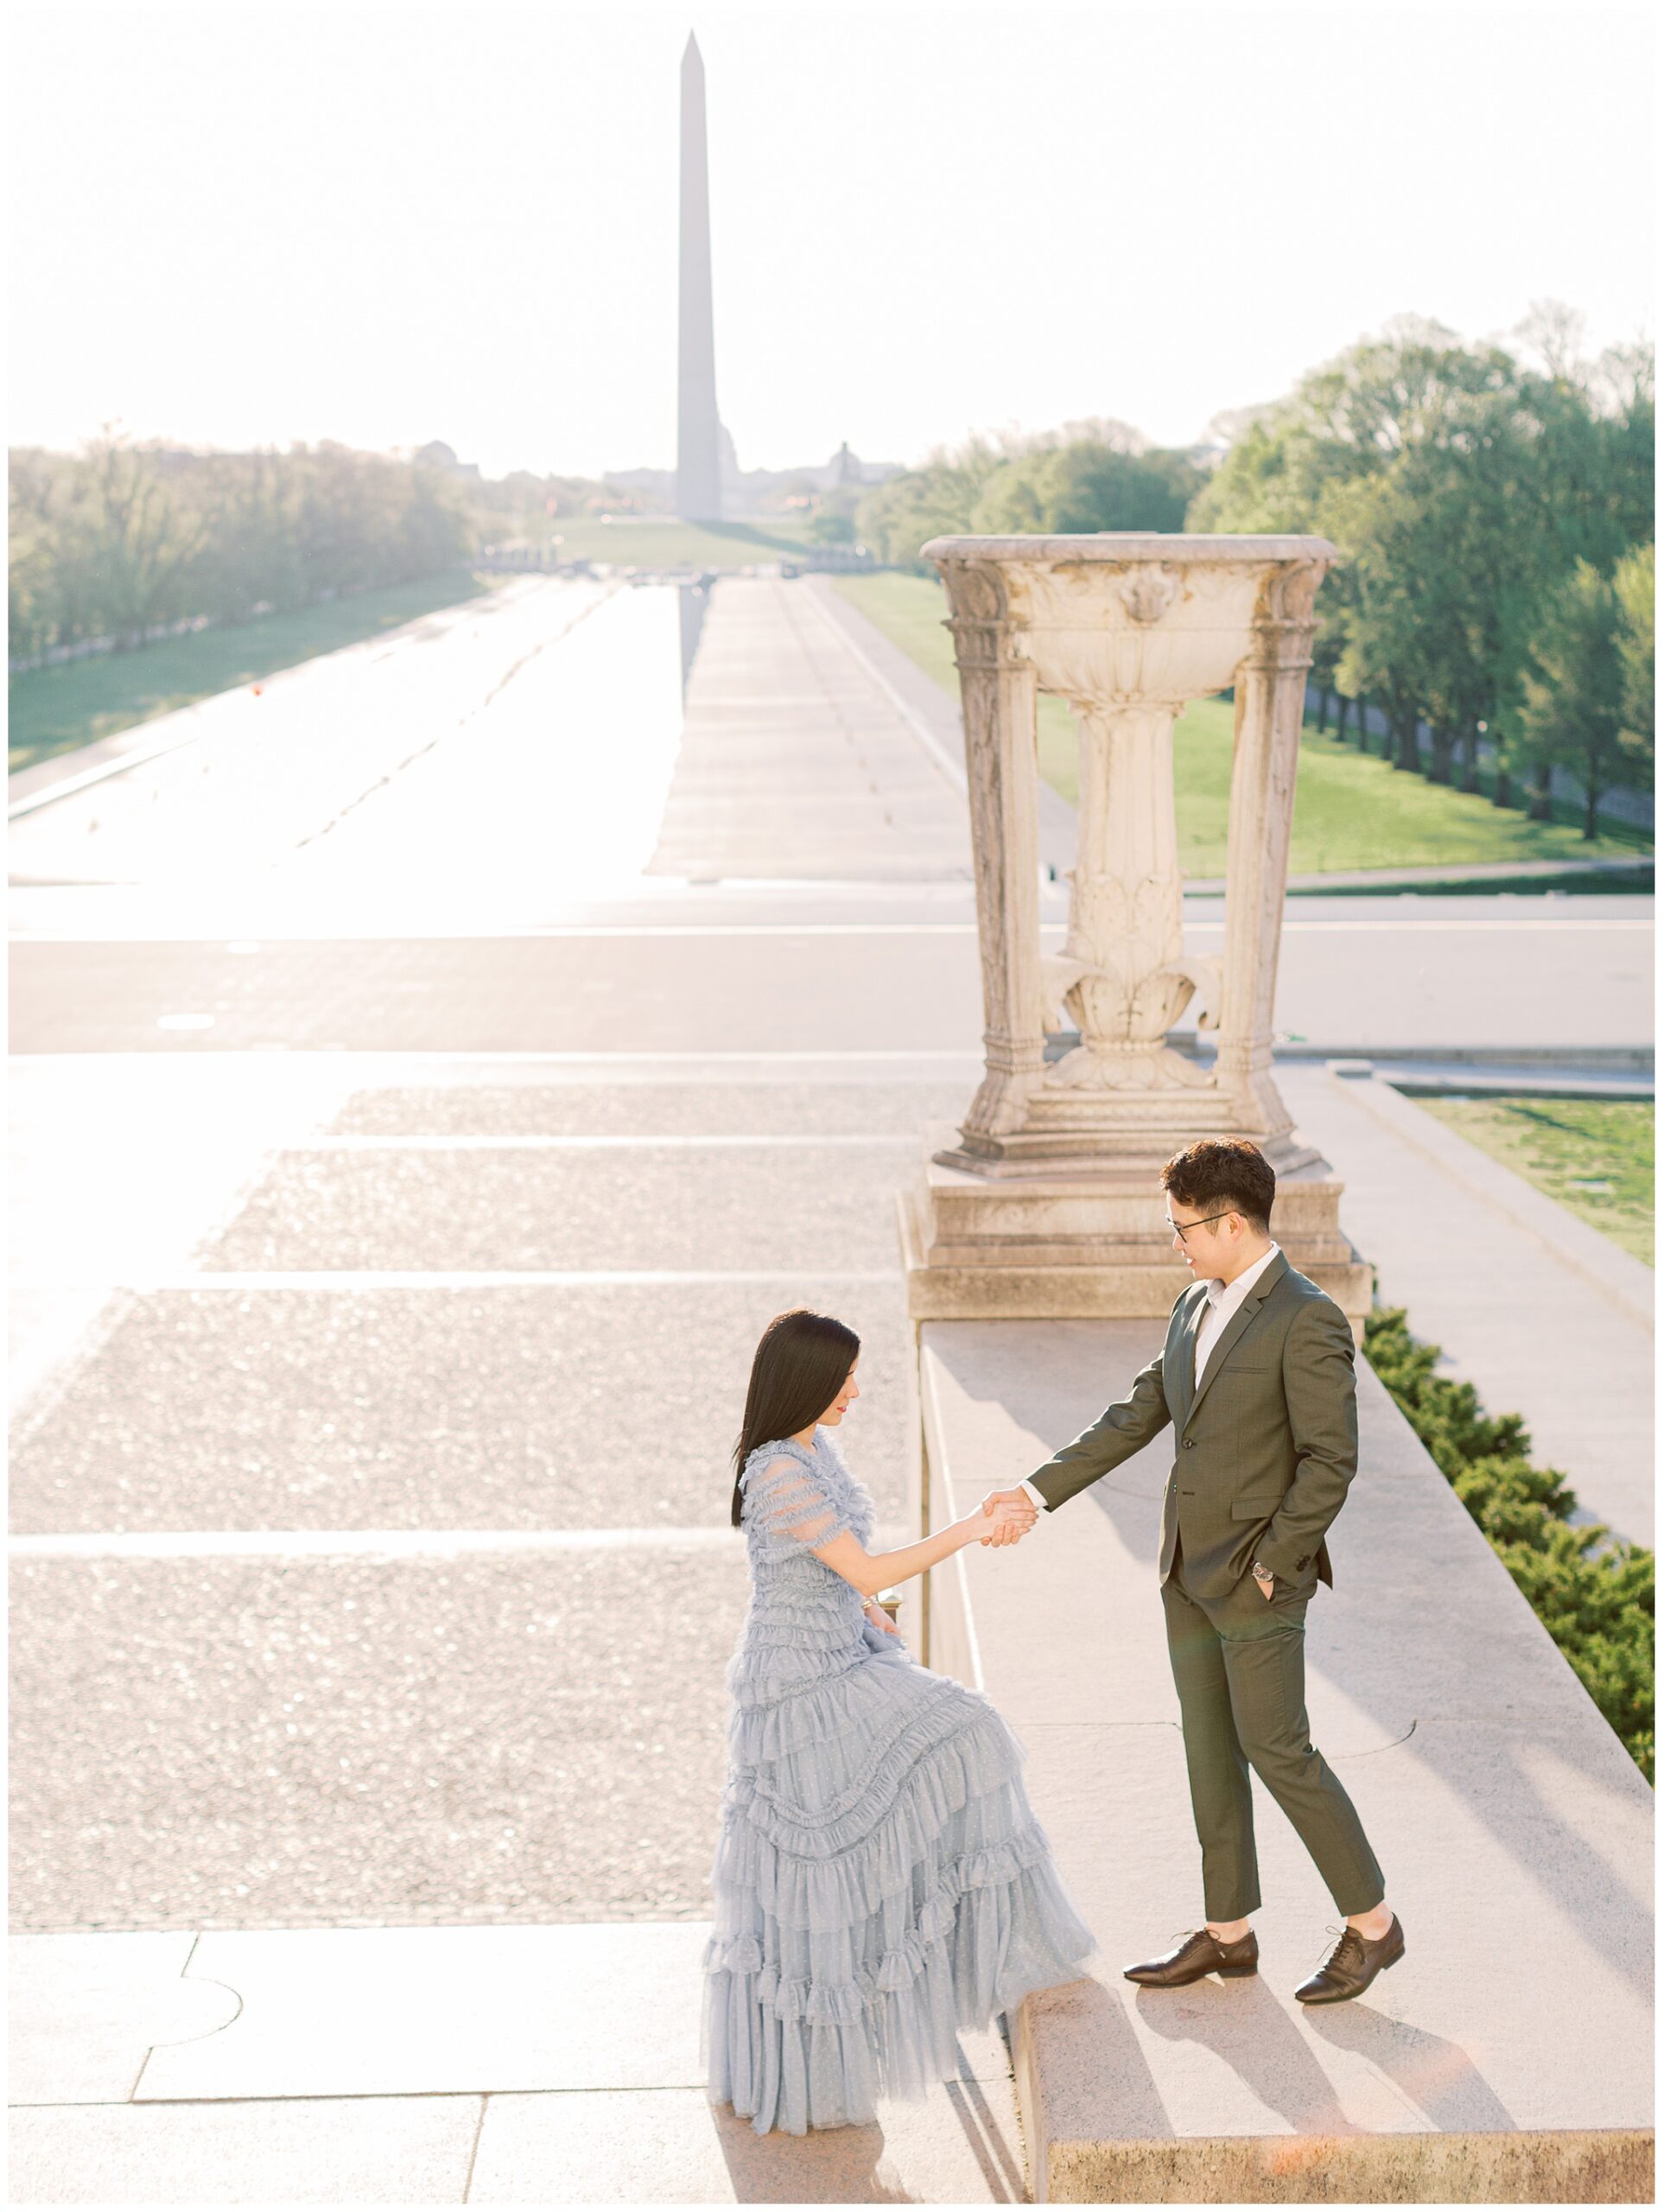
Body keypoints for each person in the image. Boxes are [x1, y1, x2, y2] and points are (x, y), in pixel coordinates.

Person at [981, 1137, 1403, 2006]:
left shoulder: (1306, 1318)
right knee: (1209, 1750)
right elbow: (1135, 1414)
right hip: (1184, 1569)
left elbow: (1329, 1462)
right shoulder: (1191, 1305)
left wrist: (1269, 1564)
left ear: (1232, 1221)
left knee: (1277, 1751)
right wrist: (1033, 1491)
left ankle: (1372, 1925)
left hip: (1254, 1579)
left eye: (1182, 1227)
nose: (1174, 1242)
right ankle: (1226, 1934)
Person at [701, 1306, 1093, 2138]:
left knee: (959, 1741)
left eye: (853, 1374)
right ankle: (918, 1997)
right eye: (840, 1376)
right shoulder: (775, 1469)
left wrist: (867, 1609)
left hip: (843, 1648)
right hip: (800, 1687)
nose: (853, 1389)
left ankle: (984, 1955)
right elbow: (867, 1562)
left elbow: (839, 1573)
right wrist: (974, 1526)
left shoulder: (812, 1446)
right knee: (842, 1849)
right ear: (804, 1380)